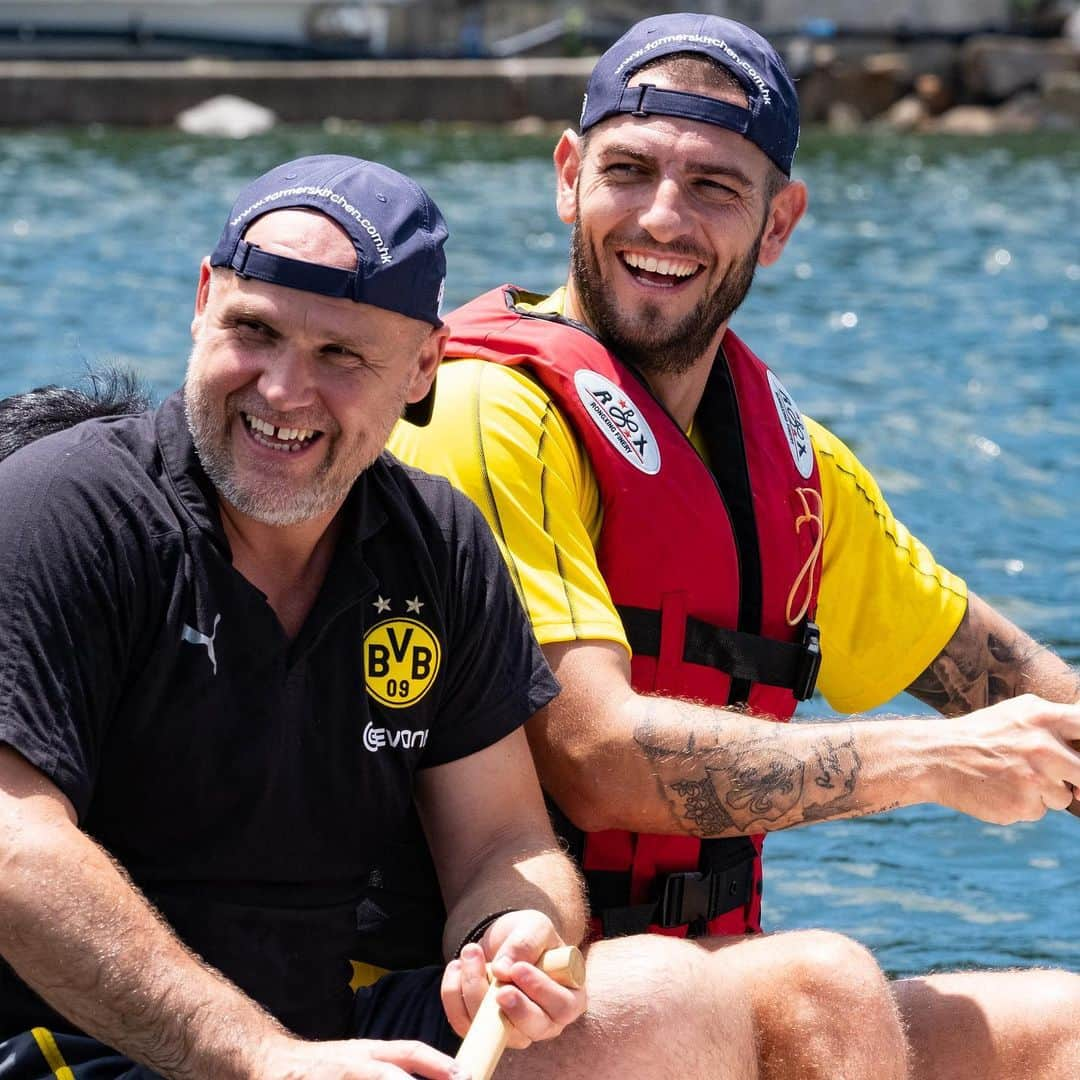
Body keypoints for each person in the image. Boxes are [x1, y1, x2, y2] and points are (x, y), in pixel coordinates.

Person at [389, 13, 1080, 1080]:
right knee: (820, 982)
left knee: (1066, 1027)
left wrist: (1016, 740)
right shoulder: (485, 411)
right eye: (629, 171)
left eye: (714, 186)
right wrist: (932, 765)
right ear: (567, 176)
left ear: (779, 222)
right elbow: (599, 763)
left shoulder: (791, 468)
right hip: (468, 999)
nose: (663, 218)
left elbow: (1015, 697)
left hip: (697, 985)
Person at [0, 154, 595, 1080]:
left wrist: (512, 931)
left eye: (340, 355)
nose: (281, 390)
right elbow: (14, 849)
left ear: (423, 366)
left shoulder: (436, 541)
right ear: (202, 301)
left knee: (693, 995)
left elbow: (504, 842)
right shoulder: (60, 508)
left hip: (316, 1037)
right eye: (255, 331)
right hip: (64, 1045)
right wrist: (261, 1060)